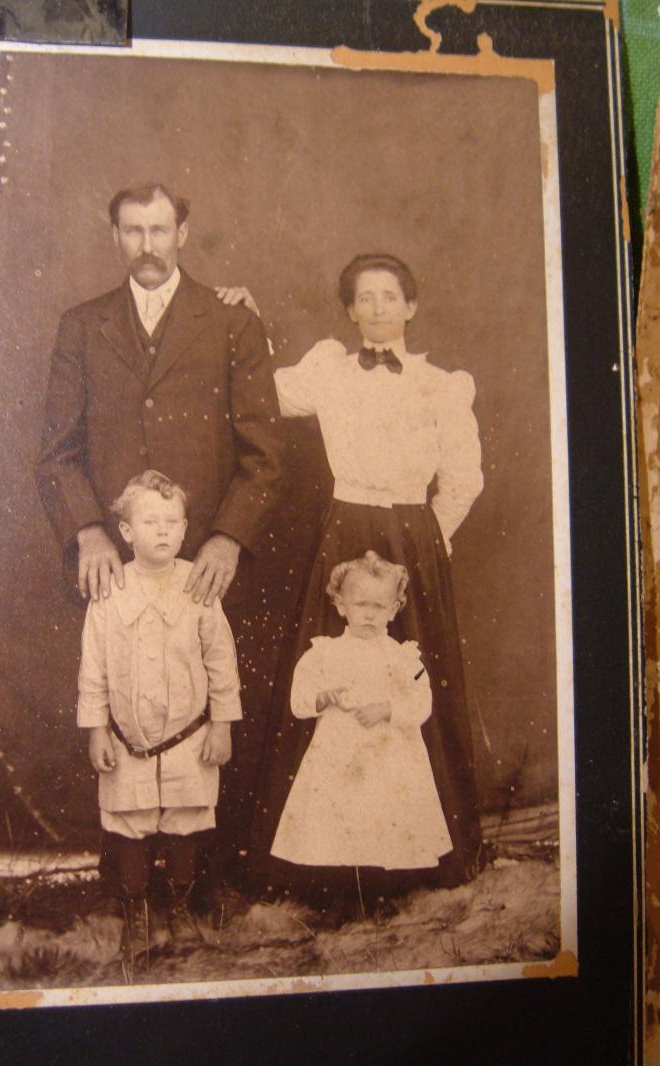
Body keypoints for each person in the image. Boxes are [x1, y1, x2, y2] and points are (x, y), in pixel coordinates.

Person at [36, 182, 285, 893]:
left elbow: (266, 450)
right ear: (113, 235)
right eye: (132, 231)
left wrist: (228, 538)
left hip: (204, 561)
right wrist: (87, 530)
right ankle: (128, 894)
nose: (147, 245)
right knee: (119, 703)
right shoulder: (82, 326)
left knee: (204, 707)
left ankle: (202, 889)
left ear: (183, 231)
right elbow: (56, 450)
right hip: (116, 563)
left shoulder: (231, 322)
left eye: (159, 229)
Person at [251, 252, 484, 892]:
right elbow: (261, 388)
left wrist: (429, 543)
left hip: (413, 534)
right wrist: (247, 324)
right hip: (345, 526)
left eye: (390, 297)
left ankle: (433, 853)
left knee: (411, 675)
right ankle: (316, 859)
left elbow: (463, 480)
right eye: (365, 298)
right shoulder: (328, 371)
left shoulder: (442, 384)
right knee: (332, 666)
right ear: (350, 311)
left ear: (410, 306)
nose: (378, 308)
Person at [77, 470, 242, 966]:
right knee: (131, 824)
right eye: (150, 521)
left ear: (187, 528)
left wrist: (223, 724)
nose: (164, 531)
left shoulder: (198, 586)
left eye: (173, 521)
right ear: (125, 531)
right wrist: (96, 730)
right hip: (129, 742)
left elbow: (221, 662)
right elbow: (93, 668)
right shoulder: (110, 592)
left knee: (186, 822)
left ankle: (180, 910)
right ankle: (138, 917)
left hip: (189, 740)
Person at [270, 551, 452, 920]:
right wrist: (324, 697)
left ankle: (377, 894)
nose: (369, 614)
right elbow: (298, 701)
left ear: (394, 608)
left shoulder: (404, 658)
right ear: (340, 604)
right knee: (339, 816)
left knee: (382, 815)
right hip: (338, 754)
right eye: (360, 604)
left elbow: (422, 702)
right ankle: (342, 896)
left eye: (379, 605)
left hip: (388, 755)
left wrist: (388, 709)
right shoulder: (323, 653)